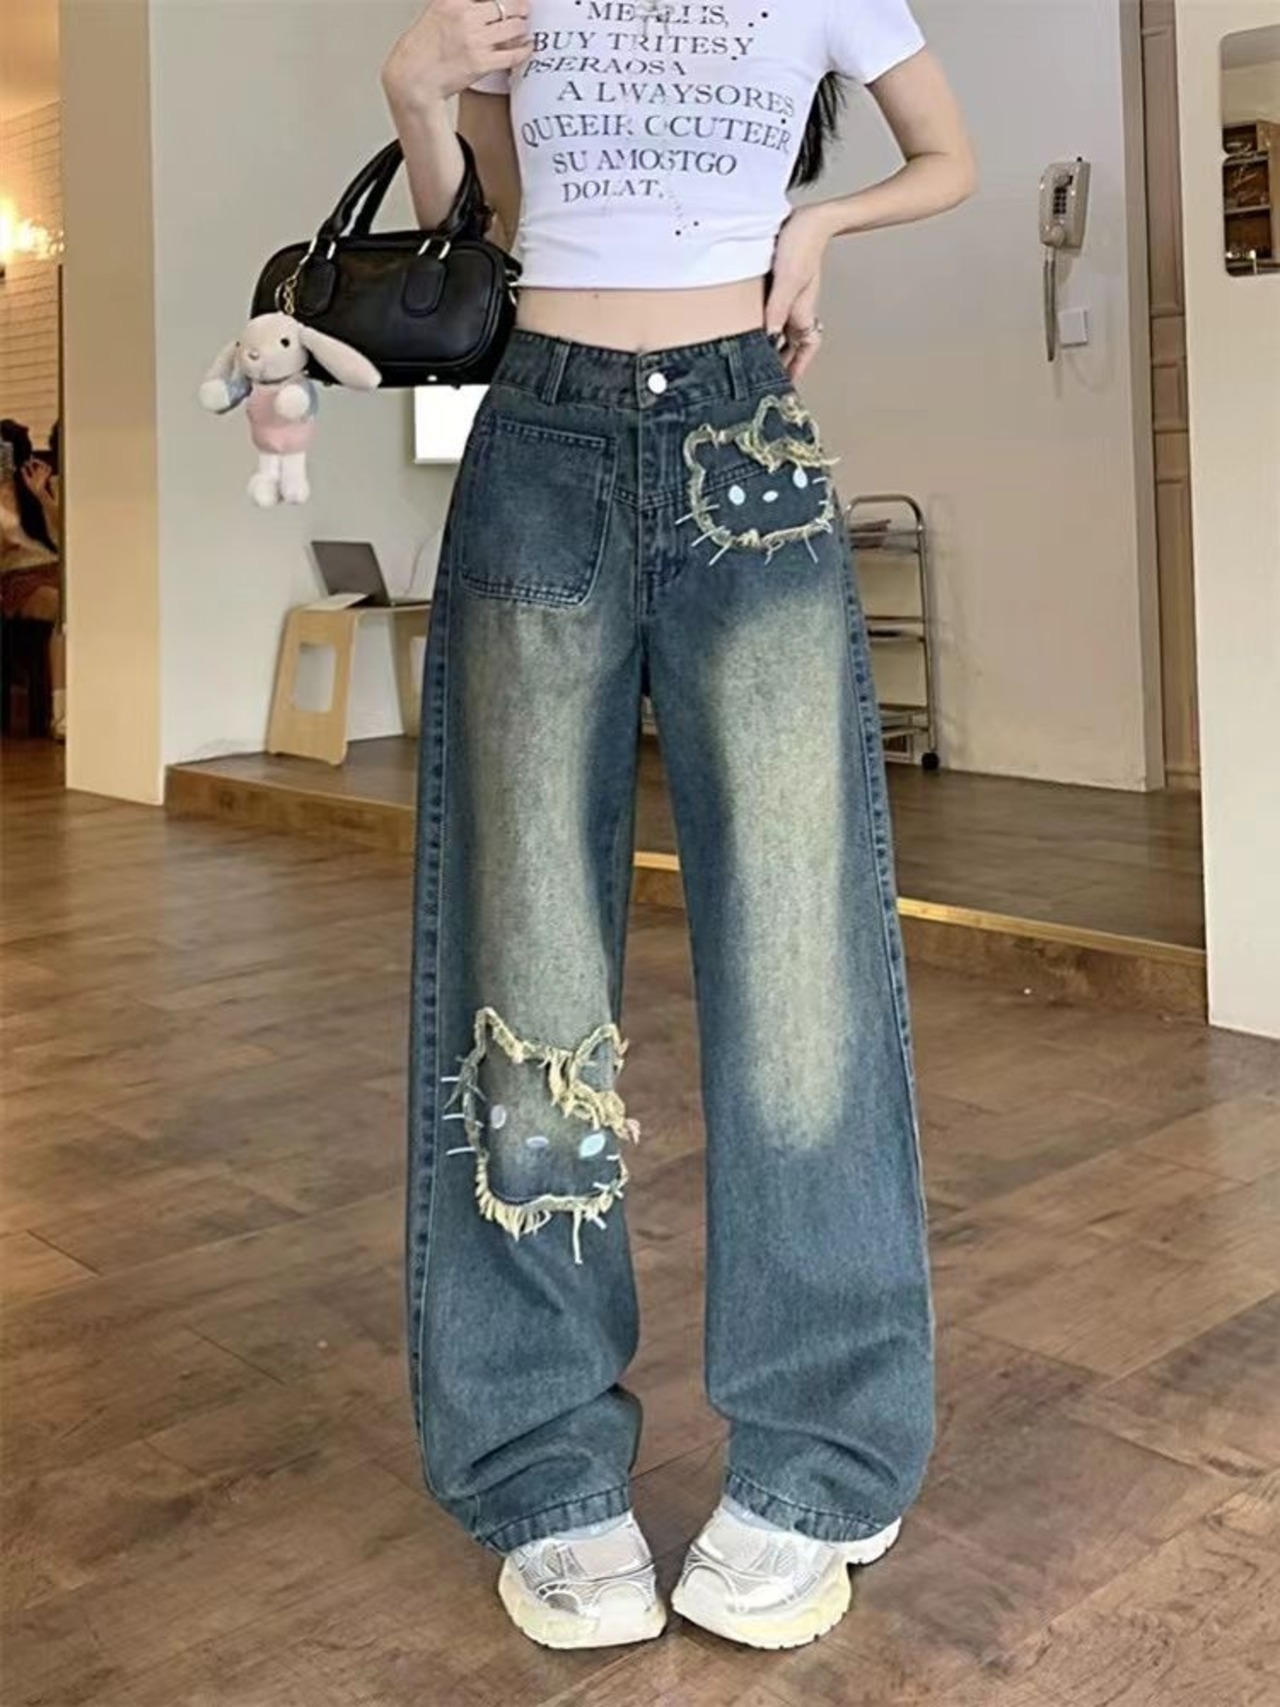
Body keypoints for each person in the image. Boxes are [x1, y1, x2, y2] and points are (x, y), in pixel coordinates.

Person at [384, 0, 974, 1654]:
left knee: (800, 962)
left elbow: (949, 155)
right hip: (540, 430)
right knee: (525, 960)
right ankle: (538, 1459)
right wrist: (419, 95)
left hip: (742, 426)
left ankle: (824, 1455)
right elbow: (485, 228)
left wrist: (821, 224)